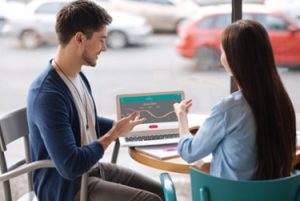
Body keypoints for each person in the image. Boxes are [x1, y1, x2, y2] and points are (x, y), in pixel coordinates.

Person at [26, 1, 164, 200]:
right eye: (101, 40)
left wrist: (121, 127)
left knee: (163, 192)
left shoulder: (77, 76)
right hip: (65, 187)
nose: (105, 48)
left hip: (89, 171)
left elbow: (84, 122)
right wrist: (113, 134)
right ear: (80, 38)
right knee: (152, 200)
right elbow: (70, 166)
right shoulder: (48, 95)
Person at [173, 19, 296, 180]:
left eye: (223, 51)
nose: (221, 58)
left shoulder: (228, 109)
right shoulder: (282, 102)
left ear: (234, 58)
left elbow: (190, 153)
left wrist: (182, 118)